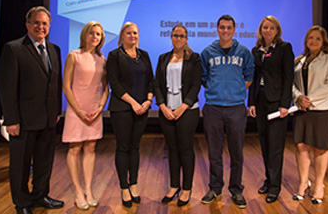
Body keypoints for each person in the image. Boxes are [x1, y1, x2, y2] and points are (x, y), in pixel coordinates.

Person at [0, 6, 64, 214]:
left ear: (49, 26)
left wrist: (57, 111)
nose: (41, 27)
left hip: (48, 119)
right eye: (36, 23)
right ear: (28, 25)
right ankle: (23, 203)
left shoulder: (54, 49)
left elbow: (56, 82)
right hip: (23, 121)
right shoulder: (14, 48)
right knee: (20, 166)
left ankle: (40, 195)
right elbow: (6, 87)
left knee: (44, 162)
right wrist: (11, 120)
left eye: (44, 23)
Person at [200, 15, 254, 209]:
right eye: (222, 28)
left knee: (236, 152)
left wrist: (236, 91)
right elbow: (204, 78)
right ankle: (215, 188)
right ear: (217, 29)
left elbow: (249, 77)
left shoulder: (244, 52)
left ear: (234, 29)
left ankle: (236, 190)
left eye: (229, 28)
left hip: (236, 108)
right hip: (213, 108)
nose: (225, 31)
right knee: (214, 152)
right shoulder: (207, 52)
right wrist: (216, 91)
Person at [62, 21, 109, 209]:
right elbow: (66, 86)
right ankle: (78, 191)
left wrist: (100, 107)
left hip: (94, 111)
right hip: (76, 109)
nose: (95, 37)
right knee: (74, 149)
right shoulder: (74, 56)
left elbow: (106, 88)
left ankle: (88, 190)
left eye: (98, 34)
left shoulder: (103, 60)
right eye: (92, 33)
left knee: (90, 148)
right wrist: (78, 110)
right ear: (84, 35)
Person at [106, 22, 154, 208]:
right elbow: (115, 84)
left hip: (142, 108)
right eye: (128, 33)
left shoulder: (145, 55)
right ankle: (124, 187)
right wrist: (134, 103)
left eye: (135, 32)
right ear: (122, 35)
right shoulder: (114, 56)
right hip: (123, 109)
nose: (132, 36)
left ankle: (134, 183)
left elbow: (151, 80)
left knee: (135, 147)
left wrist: (148, 101)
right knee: (123, 147)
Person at [248, 16, 294, 203]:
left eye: (272, 27)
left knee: (275, 146)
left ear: (277, 31)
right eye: (265, 27)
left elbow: (288, 77)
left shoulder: (284, 49)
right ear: (261, 29)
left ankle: (275, 187)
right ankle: (269, 180)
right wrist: (251, 102)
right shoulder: (255, 50)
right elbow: (253, 77)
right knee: (265, 143)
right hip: (260, 101)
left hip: (277, 103)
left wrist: (285, 104)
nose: (268, 30)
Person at [154, 25, 202, 207]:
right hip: (166, 111)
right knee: (172, 150)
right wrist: (162, 106)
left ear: (186, 38)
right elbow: (157, 84)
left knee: (186, 150)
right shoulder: (163, 58)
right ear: (171, 37)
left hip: (187, 111)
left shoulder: (194, 58)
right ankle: (174, 186)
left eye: (182, 36)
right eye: (175, 35)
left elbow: (196, 85)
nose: (178, 39)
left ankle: (187, 188)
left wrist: (183, 106)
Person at [292, 25, 328, 204]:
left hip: (321, 110)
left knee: (320, 148)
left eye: (317, 38)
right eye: (310, 38)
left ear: (323, 42)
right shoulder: (299, 60)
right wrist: (298, 98)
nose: (313, 41)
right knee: (301, 147)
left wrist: (309, 99)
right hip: (302, 110)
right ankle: (303, 183)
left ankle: (318, 185)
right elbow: (292, 84)